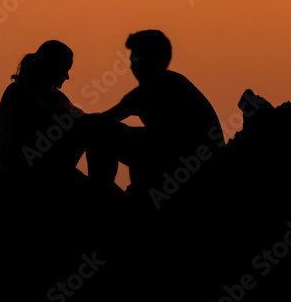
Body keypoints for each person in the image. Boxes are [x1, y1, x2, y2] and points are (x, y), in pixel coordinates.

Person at [88, 30, 223, 189]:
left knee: (102, 133)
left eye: (136, 58)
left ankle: (100, 191)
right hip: (182, 161)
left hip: (186, 166)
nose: (132, 64)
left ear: (151, 59)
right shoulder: (172, 83)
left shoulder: (156, 89)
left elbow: (104, 121)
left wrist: (75, 116)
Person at [0, 40, 88, 178]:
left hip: (50, 163)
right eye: (64, 69)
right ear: (52, 66)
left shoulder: (56, 96)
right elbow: (14, 121)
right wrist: (54, 111)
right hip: (17, 164)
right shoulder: (16, 91)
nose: (67, 76)